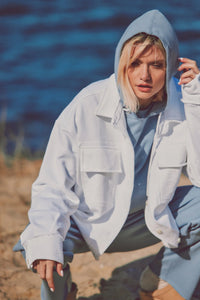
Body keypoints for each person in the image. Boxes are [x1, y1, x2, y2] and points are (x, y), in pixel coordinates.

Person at [14, 9, 200, 300]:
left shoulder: (184, 103)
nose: (145, 75)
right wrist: (46, 243)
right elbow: (52, 185)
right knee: (41, 240)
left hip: (148, 220)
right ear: (121, 60)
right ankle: (62, 294)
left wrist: (197, 104)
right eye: (136, 62)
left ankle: (164, 280)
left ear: (171, 66)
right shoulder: (88, 104)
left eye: (157, 65)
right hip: (88, 221)